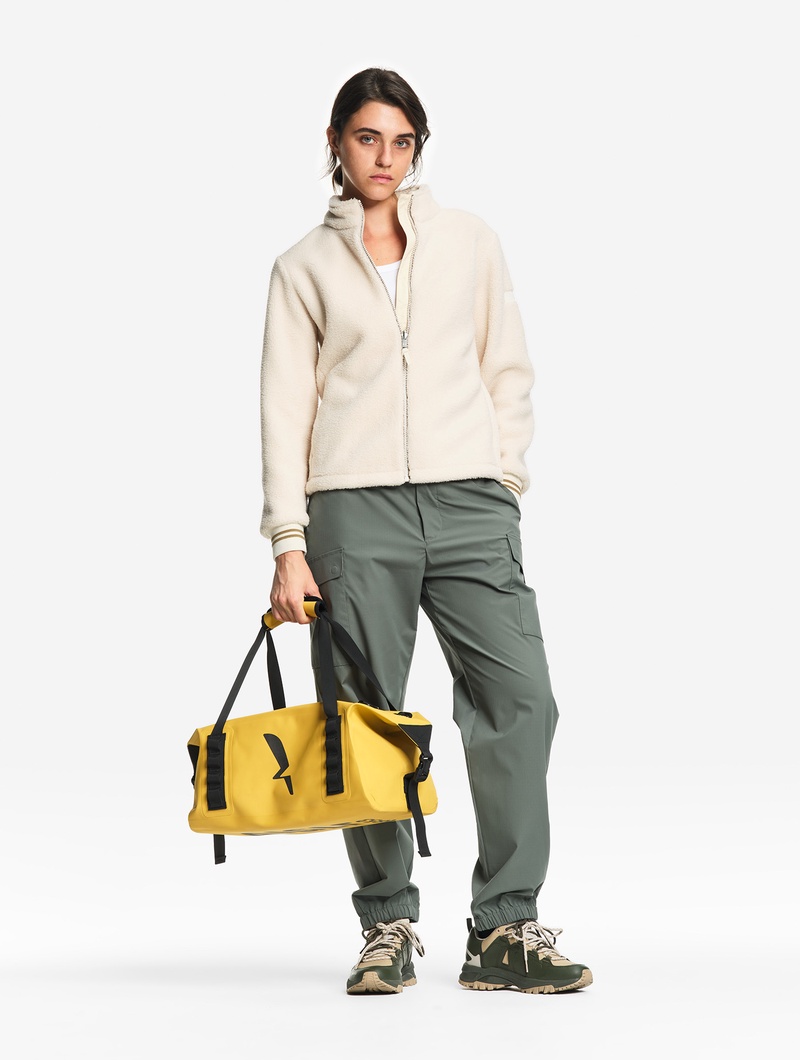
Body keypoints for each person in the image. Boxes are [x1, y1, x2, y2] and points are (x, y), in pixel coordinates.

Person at [260, 67, 592, 996]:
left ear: (418, 147)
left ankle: (505, 926)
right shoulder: (302, 268)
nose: (385, 158)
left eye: (402, 141)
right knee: (365, 721)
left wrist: (503, 478)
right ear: (336, 142)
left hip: (469, 504)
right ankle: (388, 925)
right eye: (367, 138)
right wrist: (288, 541)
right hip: (352, 508)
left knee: (522, 699)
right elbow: (284, 410)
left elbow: (506, 367)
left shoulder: (471, 242)